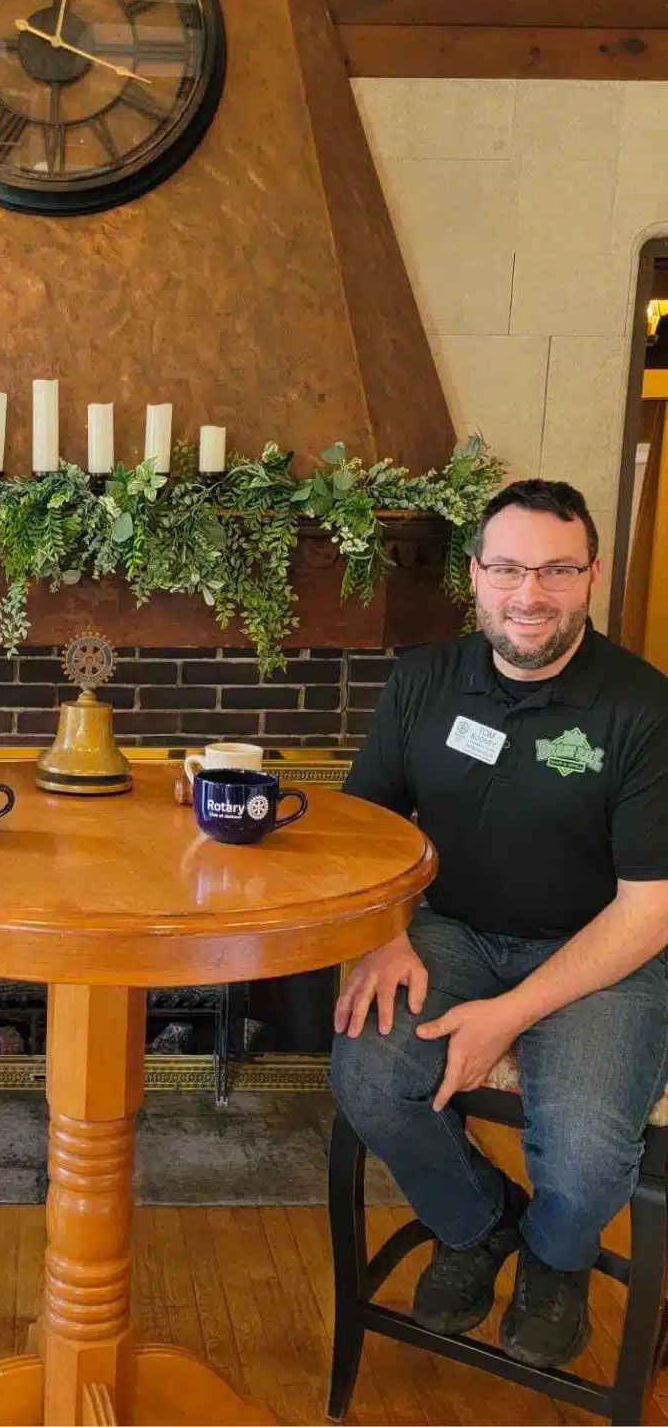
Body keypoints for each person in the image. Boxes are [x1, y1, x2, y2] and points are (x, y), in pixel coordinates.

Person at [330, 478, 668, 1369]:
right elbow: (361, 833)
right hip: (450, 931)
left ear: (591, 575)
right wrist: (384, 933)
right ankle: (478, 1222)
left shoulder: (644, 708)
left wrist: (507, 1014)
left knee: (591, 1152)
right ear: (473, 575)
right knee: (367, 1071)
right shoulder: (421, 680)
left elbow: (649, 912)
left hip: (601, 951)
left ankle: (557, 1261)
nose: (530, 595)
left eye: (557, 569)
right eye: (509, 568)